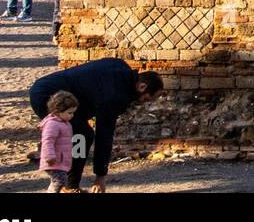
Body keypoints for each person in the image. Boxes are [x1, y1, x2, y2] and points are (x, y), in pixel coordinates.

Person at [28, 59, 163, 191]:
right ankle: (70, 185)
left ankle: (68, 182)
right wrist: (100, 177)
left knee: (80, 133)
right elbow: (104, 135)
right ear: (142, 87)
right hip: (48, 97)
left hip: (45, 88)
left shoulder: (120, 67)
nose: (145, 102)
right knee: (82, 136)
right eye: (147, 98)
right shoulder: (116, 95)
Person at [39, 90, 79, 192]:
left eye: (73, 113)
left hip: (61, 160)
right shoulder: (52, 124)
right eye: (69, 113)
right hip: (54, 160)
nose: (72, 115)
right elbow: (48, 140)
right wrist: (49, 156)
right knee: (59, 182)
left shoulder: (64, 122)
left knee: (61, 181)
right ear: (57, 112)